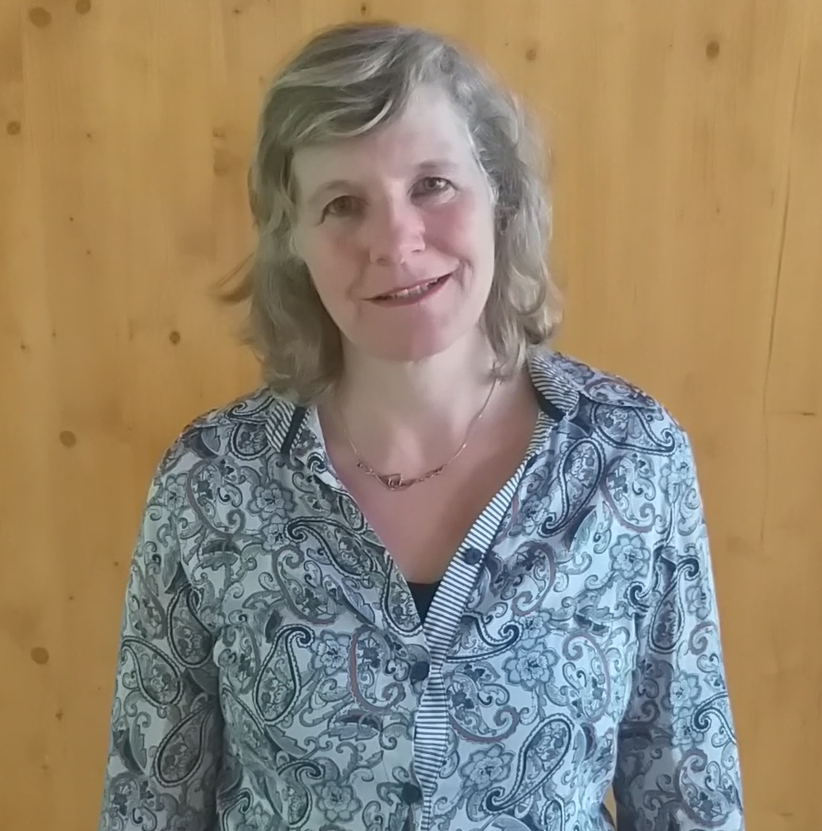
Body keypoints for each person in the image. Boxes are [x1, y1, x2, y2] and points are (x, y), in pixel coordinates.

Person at [97, 20, 745, 831]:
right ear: (292, 239)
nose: (396, 242)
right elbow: (149, 805)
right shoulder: (209, 484)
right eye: (343, 204)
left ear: (500, 196)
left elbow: (689, 798)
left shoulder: (632, 457)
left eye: (432, 185)